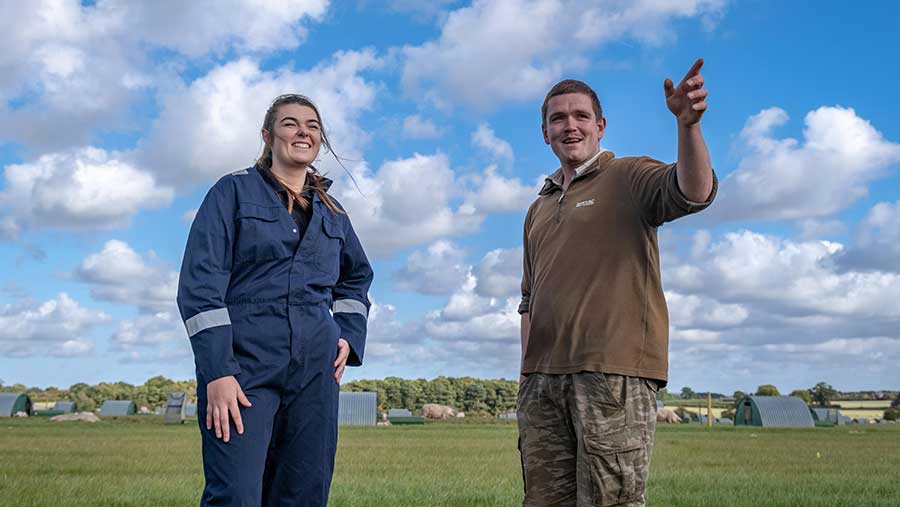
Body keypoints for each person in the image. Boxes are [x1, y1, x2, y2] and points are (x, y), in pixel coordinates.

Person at [517, 59, 717, 506]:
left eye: (581, 116)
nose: (570, 126)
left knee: (613, 500)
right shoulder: (539, 207)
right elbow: (528, 300)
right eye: (558, 118)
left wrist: (688, 127)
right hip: (544, 382)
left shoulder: (627, 176)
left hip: (614, 376)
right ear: (544, 132)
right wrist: (526, 377)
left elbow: (694, 191)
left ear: (601, 125)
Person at [177, 94, 373, 506]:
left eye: (312, 125)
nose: (303, 131)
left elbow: (356, 278)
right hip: (244, 369)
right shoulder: (232, 193)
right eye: (290, 123)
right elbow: (200, 286)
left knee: (304, 492)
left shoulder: (334, 213)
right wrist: (217, 372)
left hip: (315, 373)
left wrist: (348, 336)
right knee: (236, 494)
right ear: (268, 136)